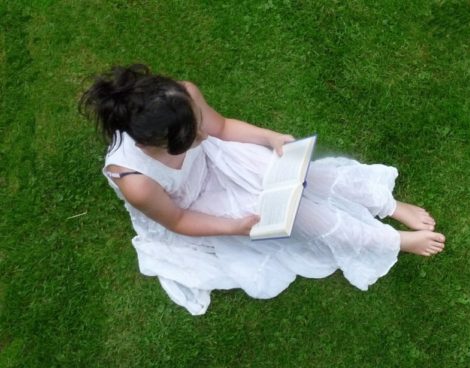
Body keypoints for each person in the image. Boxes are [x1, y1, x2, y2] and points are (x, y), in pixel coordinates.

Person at [80, 64, 446, 315]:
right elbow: (178, 219)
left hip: (220, 162)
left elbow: (220, 130)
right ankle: (390, 242)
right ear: (152, 147)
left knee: (304, 176)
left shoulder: (181, 97)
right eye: (192, 137)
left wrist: (269, 138)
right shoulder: (137, 182)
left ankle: (385, 203)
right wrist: (235, 227)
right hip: (198, 202)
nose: (201, 134)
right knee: (298, 215)